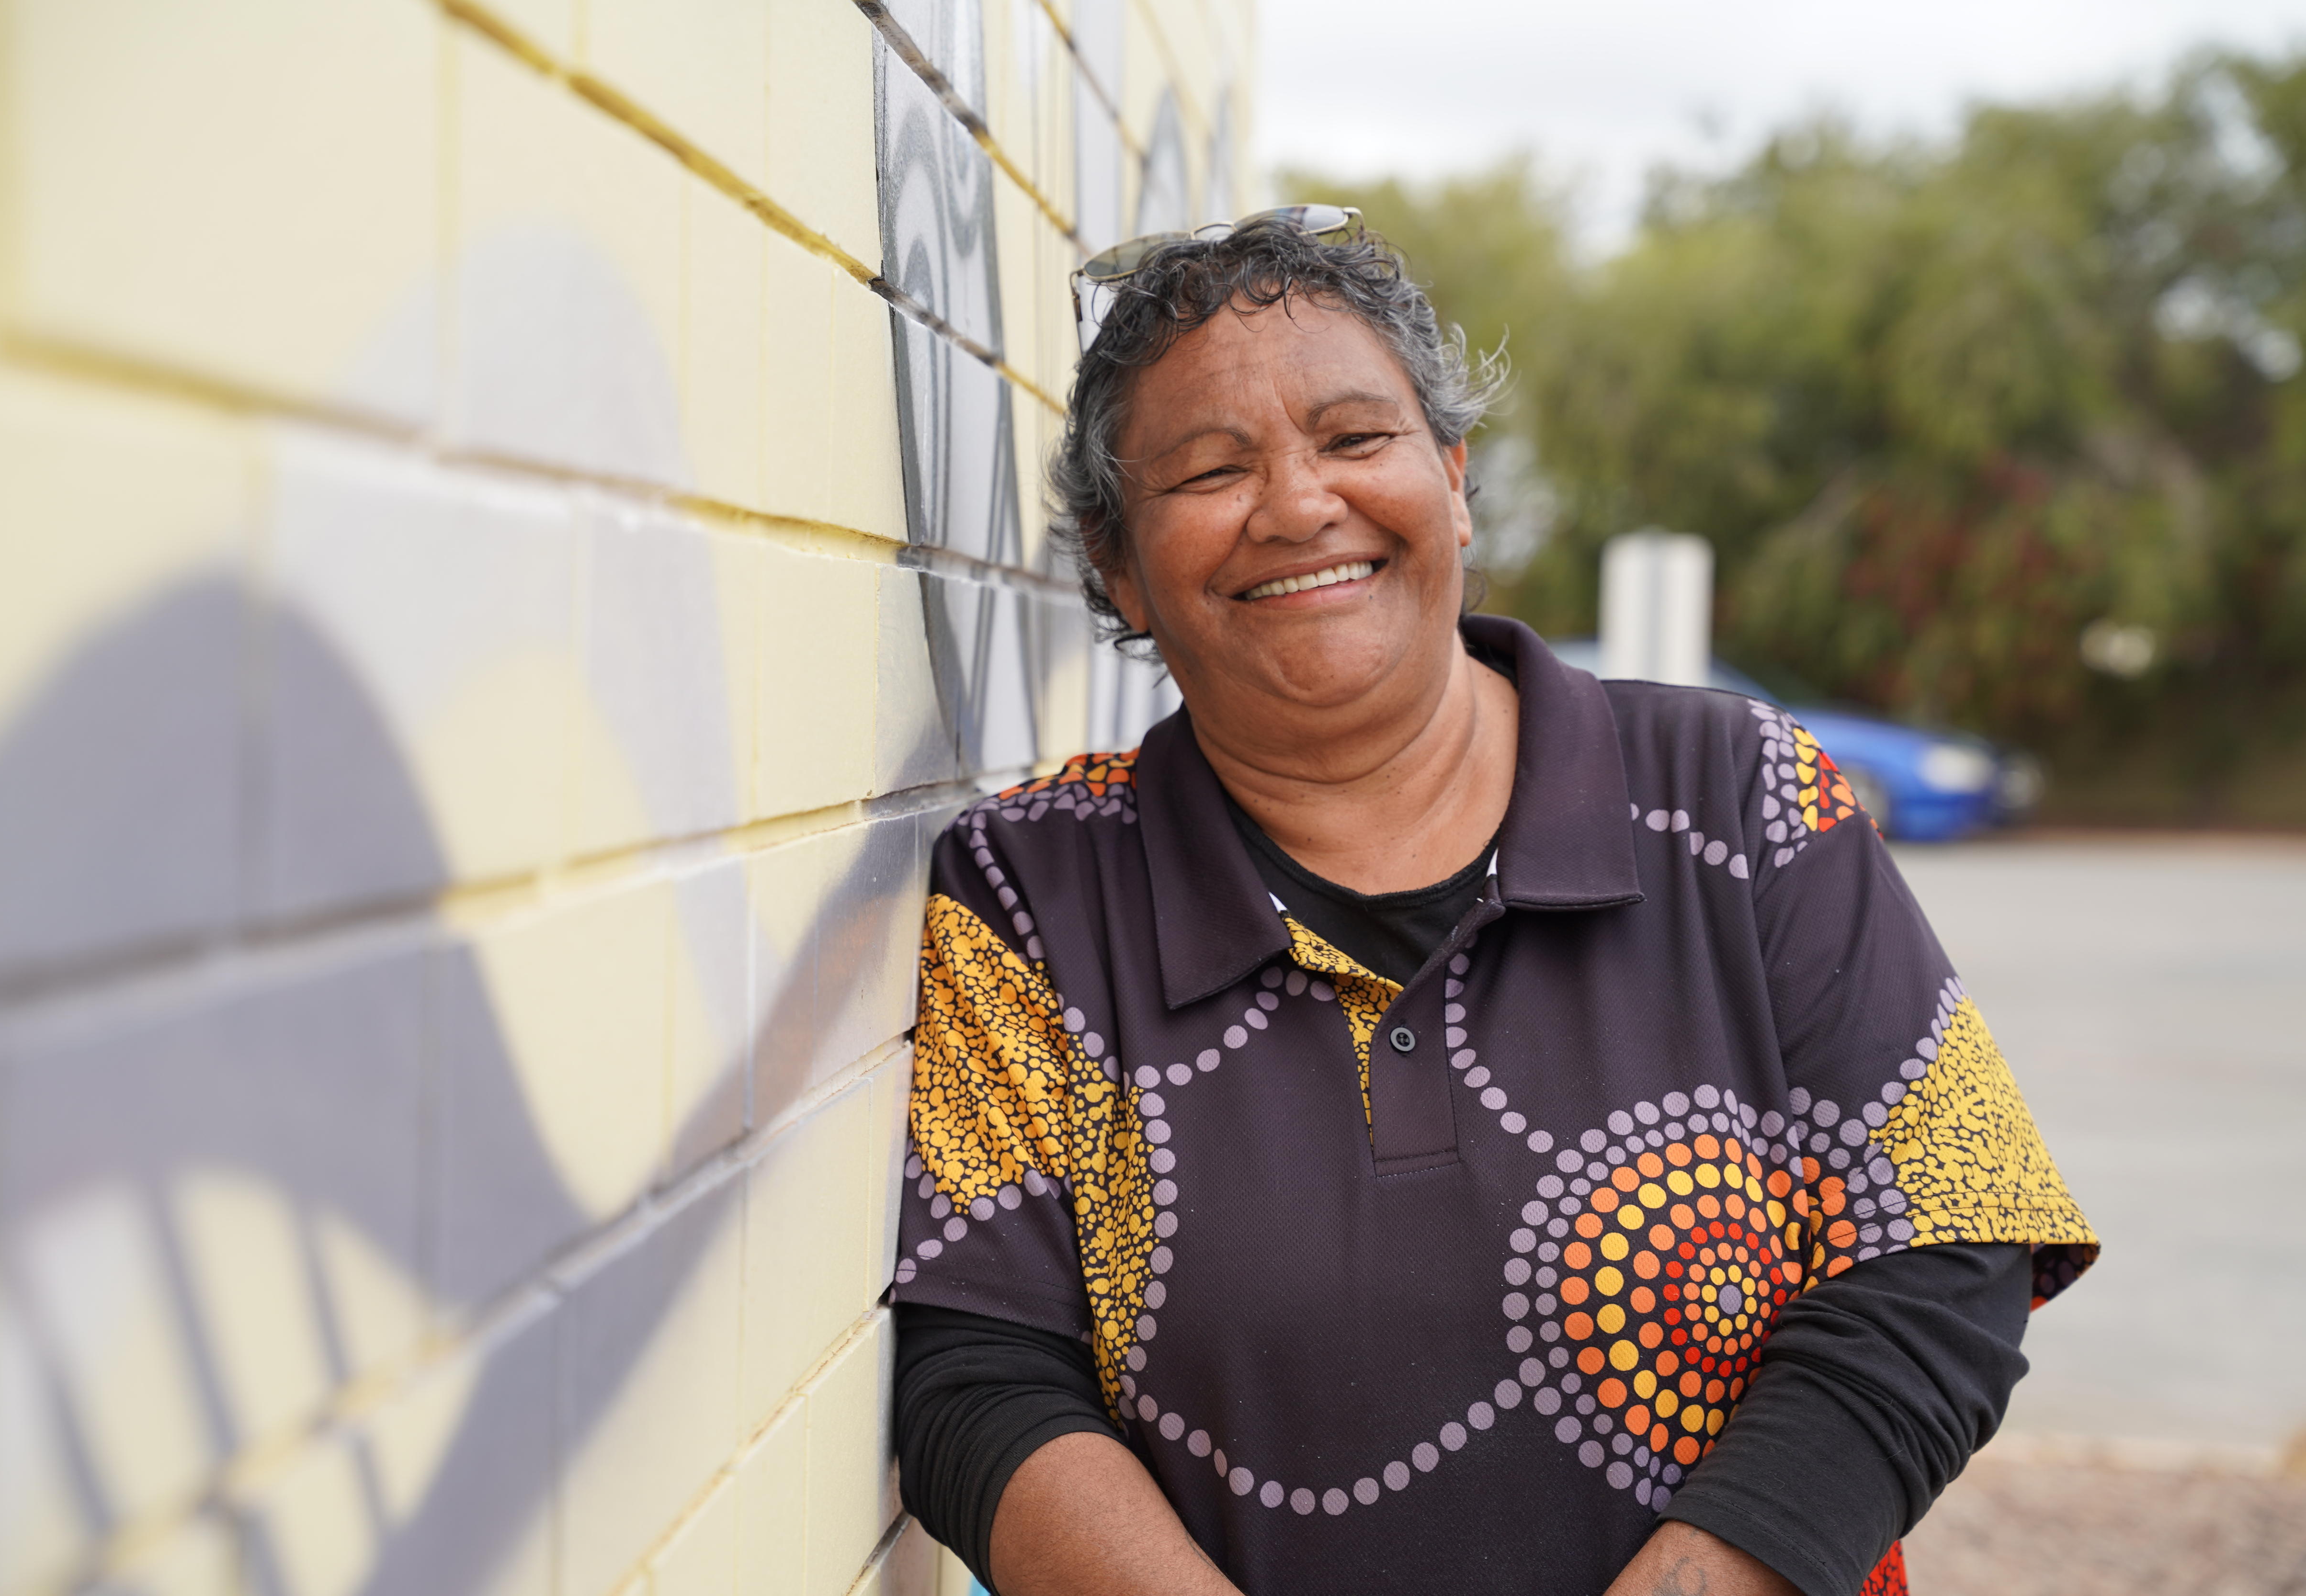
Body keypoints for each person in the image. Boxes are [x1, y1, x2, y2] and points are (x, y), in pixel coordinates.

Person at [887, 210, 2097, 1596]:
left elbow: (1945, 1251)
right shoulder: (1037, 892)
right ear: (1118, 564)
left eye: (1354, 441)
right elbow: (980, 1378)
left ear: (1453, 481)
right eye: (1212, 470)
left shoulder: (1742, 795)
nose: (1297, 505)